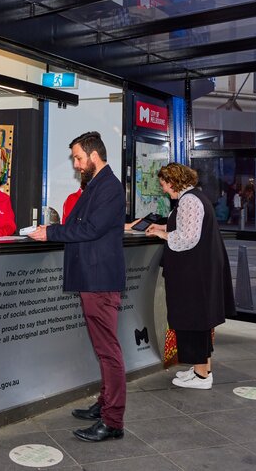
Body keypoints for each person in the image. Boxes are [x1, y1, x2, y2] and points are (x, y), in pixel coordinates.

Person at [28, 132, 125, 442]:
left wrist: (51, 232)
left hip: (99, 281)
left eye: (78, 158)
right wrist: (52, 229)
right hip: (92, 279)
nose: (76, 163)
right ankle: (104, 404)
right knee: (103, 349)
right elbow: (79, 224)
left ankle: (113, 421)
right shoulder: (97, 185)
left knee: (108, 352)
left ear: (93, 155)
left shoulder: (109, 187)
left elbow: (91, 228)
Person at [145, 163, 235, 390]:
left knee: (194, 320)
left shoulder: (189, 200)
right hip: (200, 272)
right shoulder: (195, 198)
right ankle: (200, 368)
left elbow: (187, 238)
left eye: (164, 185)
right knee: (200, 321)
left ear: (174, 181)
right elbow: (189, 226)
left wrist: (162, 233)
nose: (164, 189)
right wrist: (164, 224)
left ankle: (202, 376)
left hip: (194, 274)